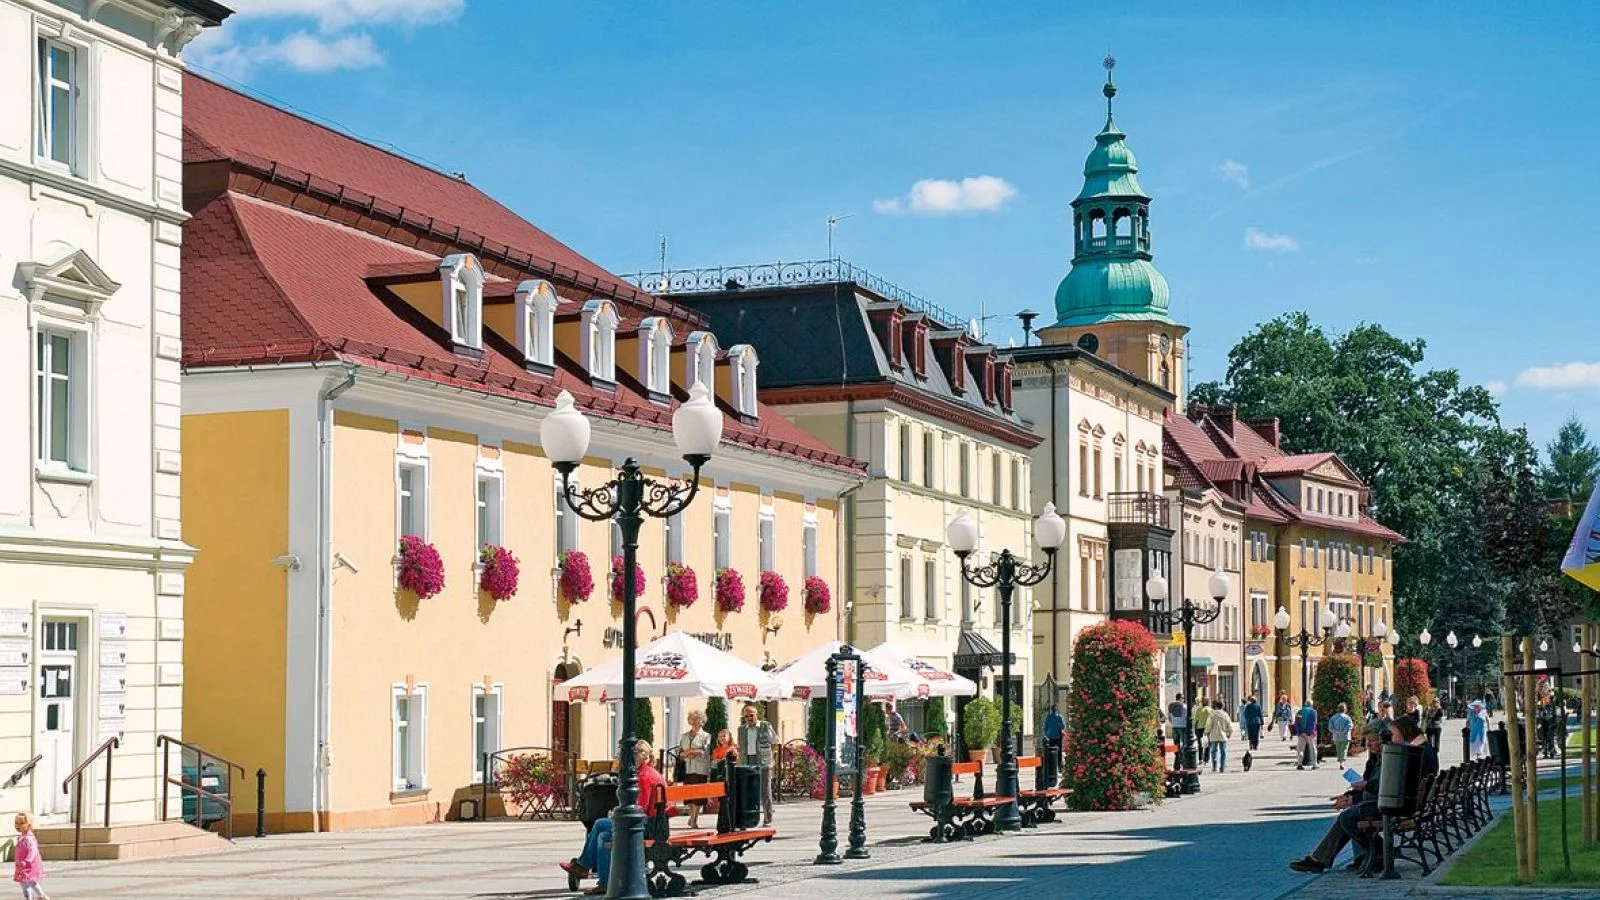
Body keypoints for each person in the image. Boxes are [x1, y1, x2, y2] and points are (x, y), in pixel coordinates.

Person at [560, 741, 665, 895]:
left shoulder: (643, 777)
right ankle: (599, 879)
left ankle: (586, 868)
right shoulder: (647, 772)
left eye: (626, 756)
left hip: (646, 826)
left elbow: (638, 810)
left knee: (600, 826)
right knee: (604, 835)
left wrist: (617, 814)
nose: (623, 759)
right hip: (651, 823)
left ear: (638, 757)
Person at [1289, 722, 1386, 873]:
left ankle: (1379, 852)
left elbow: (1380, 788)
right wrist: (1349, 796)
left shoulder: (1388, 759)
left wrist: (1354, 798)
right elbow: (1368, 785)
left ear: (1383, 740)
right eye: (1367, 740)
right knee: (1350, 814)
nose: (1368, 745)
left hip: (1383, 805)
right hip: (1374, 802)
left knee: (1348, 817)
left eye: (1372, 740)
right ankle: (1358, 857)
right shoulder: (1375, 759)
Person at [738, 703, 777, 827]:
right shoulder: (741, 729)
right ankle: (749, 818)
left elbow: (775, 742)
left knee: (765, 790)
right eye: (746, 716)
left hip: (763, 761)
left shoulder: (765, 726)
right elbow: (741, 747)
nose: (749, 718)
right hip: (747, 760)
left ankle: (768, 817)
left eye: (751, 715)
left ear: (756, 715)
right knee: (748, 790)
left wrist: (769, 757)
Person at [678, 709, 712, 828]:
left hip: (700, 769)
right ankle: (692, 815)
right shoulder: (684, 736)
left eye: (699, 720)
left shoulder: (706, 736)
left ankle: (694, 818)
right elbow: (680, 752)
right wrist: (687, 753)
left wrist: (690, 751)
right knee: (689, 795)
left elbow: (705, 751)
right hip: (687, 768)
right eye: (694, 719)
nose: (697, 722)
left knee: (699, 795)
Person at [12, 812, 49, 900]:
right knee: (31, 881)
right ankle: (41, 896)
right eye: (16, 823)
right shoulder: (22, 837)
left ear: (28, 824)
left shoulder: (28, 838)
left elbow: (33, 850)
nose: (18, 825)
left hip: (27, 865)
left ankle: (31, 898)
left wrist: (27, 861)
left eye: (21, 823)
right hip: (22, 865)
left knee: (25, 882)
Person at [1206, 699, 1235, 773]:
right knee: (1223, 751)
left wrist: (1207, 732)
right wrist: (1229, 734)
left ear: (1215, 706)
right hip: (1223, 735)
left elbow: (1209, 725)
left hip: (1213, 735)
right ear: (1222, 706)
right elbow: (1230, 726)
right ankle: (1222, 766)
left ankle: (1214, 766)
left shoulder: (1212, 714)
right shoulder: (1225, 715)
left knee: (1214, 751)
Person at [1042, 705, 1066, 779]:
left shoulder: (1048, 717)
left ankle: (1051, 766)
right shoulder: (1059, 717)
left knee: (1050, 752)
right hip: (1058, 737)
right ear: (1057, 710)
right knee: (1059, 752)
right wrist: (1059, 727)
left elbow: (1045, 727)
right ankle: (1059, 766)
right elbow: (1063, 726)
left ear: (1051, 710)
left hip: (1050, 737)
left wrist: (1046, 735)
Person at [1329, 703, 1354, 768]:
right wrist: (1344, 731)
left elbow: (1330, 727)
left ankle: (1340, 761)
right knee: (1344, 749)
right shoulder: (1347, 717)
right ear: (1345, 709)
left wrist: (1336, 731)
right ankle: (1342, 762)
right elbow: (1350, 725)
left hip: (1336, 736)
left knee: (1338, 750)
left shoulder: (1333, 717)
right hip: (1345, 736)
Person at [1296, 700, 1319, 769]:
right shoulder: (1313, 712)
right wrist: (1309, 732)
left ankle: (1299, 764)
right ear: (1311, 705)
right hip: (1311, 733)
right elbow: (1314, 723)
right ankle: (1314, 764)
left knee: (1300, 749)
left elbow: (1297, 723)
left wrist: (1300, 732)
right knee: (1313, 748)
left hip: (1301, 734)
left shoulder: (1300, 711)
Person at [1193, 698, 1212, 763]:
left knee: (1200, 744)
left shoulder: (1199, 709)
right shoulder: (1210, 710)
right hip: (1207, 729)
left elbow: (1196, 720)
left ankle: (1200, 758)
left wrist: (1195, 728)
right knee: (1207, 743)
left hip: (1199, 728)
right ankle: (1207, 758)